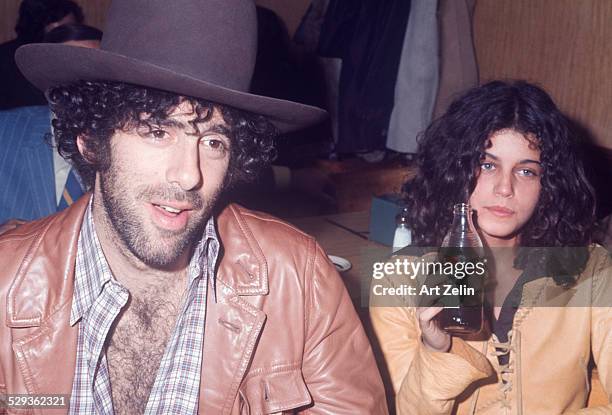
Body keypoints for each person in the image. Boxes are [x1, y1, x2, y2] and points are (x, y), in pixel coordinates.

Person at [0, 0, 388, 414]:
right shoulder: (8, 282)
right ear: (91, 141)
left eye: (213, 141)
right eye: (156, 131)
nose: (189, 175)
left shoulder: (298, 278)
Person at [369, 81, 611, 414]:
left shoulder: (590, 269)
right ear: (455, 169)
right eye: (487, 165)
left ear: (549, 185)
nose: (505, 188)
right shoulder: (399, 281)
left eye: (526, 171)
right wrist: (437, 350)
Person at [0, 24, 103, 233]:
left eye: (93, 68)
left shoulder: (133, 140)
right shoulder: (5, 132)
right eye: (68, 68)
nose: (83, 82)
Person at [0, 0, 84, 110]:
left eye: (67, 30)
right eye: (54, 33)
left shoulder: (83, 57)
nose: (61, 38)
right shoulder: (5, 60)